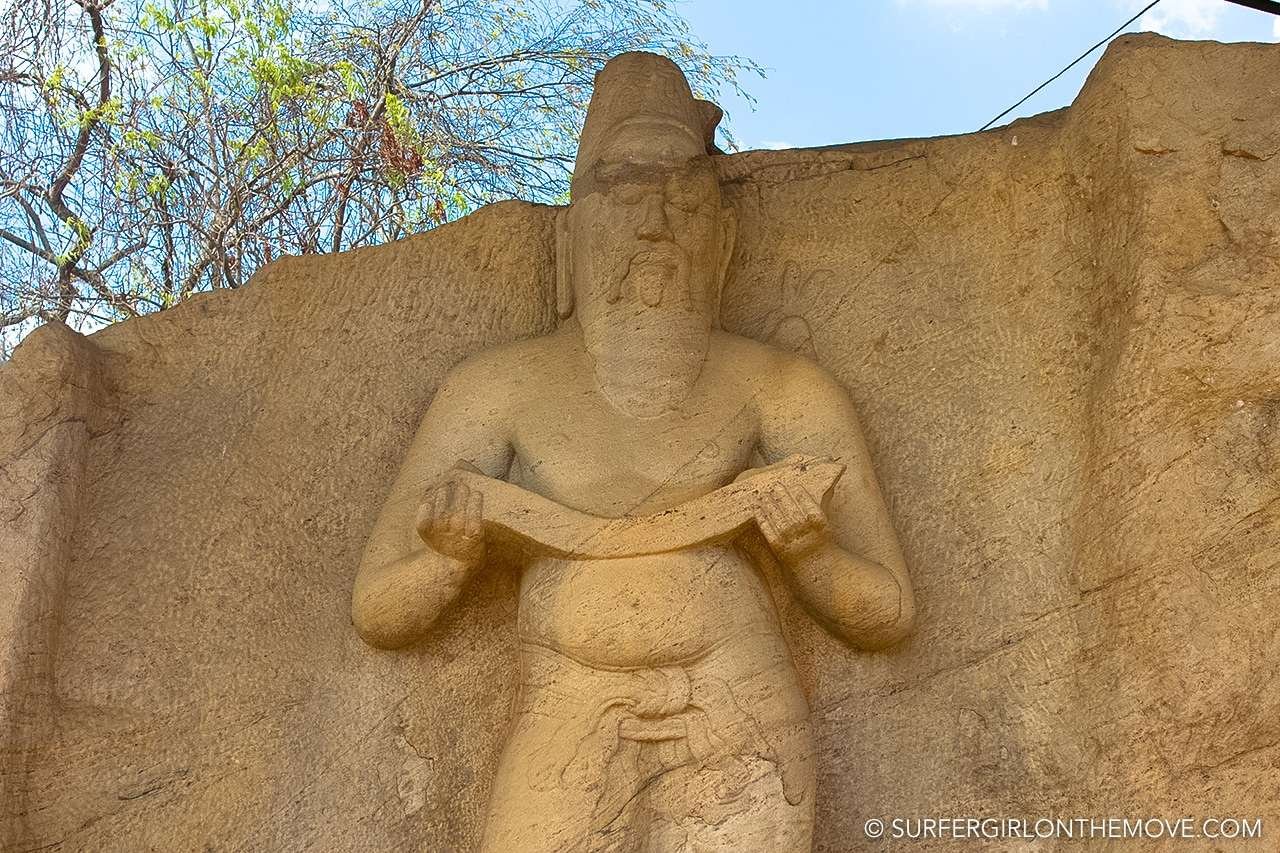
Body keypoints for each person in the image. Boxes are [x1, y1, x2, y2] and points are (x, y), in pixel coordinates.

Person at [352, 52, 914, 852]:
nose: (654, 224)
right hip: (565, 713)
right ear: (568, 236)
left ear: (723, 239)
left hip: (739, 711)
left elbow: (889, 609)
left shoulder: (783, 388)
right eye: (620, 190)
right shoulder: (495, 388)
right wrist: (445, 562)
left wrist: (812, 555)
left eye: (683, 194)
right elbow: (377, 607)